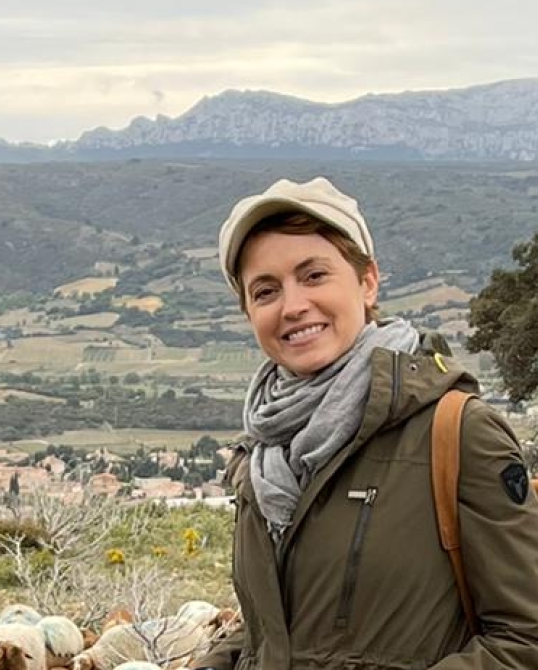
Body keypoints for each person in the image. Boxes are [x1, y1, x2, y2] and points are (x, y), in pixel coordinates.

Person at [192, 177, 538, 669]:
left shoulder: (456, 432)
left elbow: (524, 640)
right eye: (266, 290)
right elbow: (275, 627)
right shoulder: (263, 456)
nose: (292, 306)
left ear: (367, 281)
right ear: (249, 311)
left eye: (314, 276)